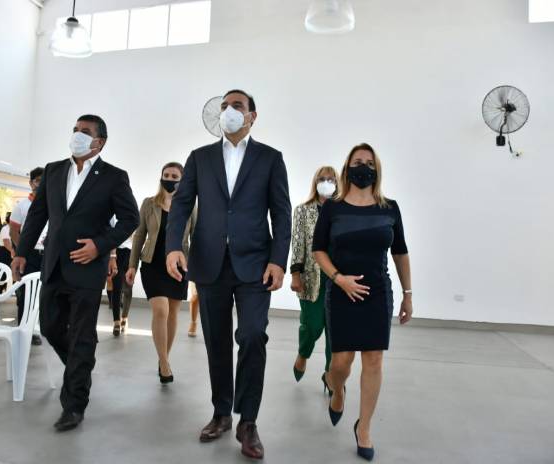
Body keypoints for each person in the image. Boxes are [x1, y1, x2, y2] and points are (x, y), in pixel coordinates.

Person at [166, 89, 291, 460]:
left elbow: (281, 213)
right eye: (224, 106)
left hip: (255, 265)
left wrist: (278, 260)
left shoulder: (270, 158)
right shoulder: (200, 157)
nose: (229, 111)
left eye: (237, 106)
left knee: (252, 335)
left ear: (252, 115)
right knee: (216, 341)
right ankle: (221, 412)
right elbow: (181, 205)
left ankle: (247, 421)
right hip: (210, 263)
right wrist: (174, 246)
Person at [11, 114, 139, 432]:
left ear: (100, 142)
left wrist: (100, 245)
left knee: (82, 334)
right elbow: (38, 215)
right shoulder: (54, 170)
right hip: (53, 264)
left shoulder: (113, 177)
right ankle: (81, 366)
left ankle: (74, 405)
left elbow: (130, 219)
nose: (77, 135)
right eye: (75, 130)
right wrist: (22, 253)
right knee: (50, 326)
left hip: (87, 267)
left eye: (85, 131)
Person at [312, 143, 413, 461]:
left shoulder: (389, 208)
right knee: (340, 363)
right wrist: (338, 278)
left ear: (377, 169)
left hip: (377, 293)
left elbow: (400, 252)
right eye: (358, 162)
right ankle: (337, 390)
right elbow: (318, 250)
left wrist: (408, 294)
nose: (364, 167)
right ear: (347, 167)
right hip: (341, 292)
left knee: (373, 360)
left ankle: (364, 428)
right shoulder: (333, 208)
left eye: (369, 163)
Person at [126, 162, 196, 383]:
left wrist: (196, 269)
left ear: (182, 180)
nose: (169, 179)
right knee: (161, 310)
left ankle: (163, 356)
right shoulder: (149, 204)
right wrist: (132, 265)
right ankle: (165, 363)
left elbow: (196, 237)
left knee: (173, 312)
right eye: (166, 175)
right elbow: (139, 235)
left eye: (174, 176)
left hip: (178, 266)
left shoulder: (189, 206)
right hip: (152, 263)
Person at [290, 166, 338, 387]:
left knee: (335, 333)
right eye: (322, 179)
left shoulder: (343, 210)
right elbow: (298, 243)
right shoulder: (303, 210)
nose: (327, 182)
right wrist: (295, 275)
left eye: (331, 179)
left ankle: (331, 375)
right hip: (311, 279)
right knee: (313, 326)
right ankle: (303, 353)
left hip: (338, 279)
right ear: (315, 182)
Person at [10, 167, 45, 344]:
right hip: (29, 256)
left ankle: (36, 329)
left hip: (47, 255)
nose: (40, 183)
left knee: (42, 294)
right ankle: (24, 330)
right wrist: (22, 252)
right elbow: (13, 232)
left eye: (44, 180)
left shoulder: (52, 204)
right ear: (31, 183)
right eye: (37, 180)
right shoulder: (22, 206)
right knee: (26, 293)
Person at [106, 230, 133, 336]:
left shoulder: (137, 218)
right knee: (116, 287)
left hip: (131, 252)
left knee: (128, 288)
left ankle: (124, 318)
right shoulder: (113, 217)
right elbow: (111, 232)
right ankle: (116, 322)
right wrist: (112, 255)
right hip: (116, 252)